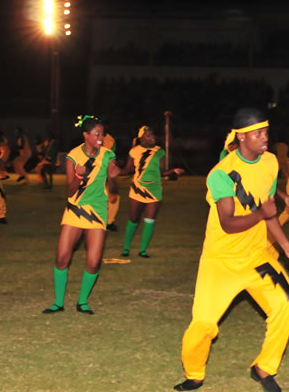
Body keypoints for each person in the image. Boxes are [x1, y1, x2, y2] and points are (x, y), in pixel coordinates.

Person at [174, 108, 289, 392]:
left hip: (257, 257)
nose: (264, 139)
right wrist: (261, 213)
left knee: (286, 305)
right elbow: (229, 222)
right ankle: (194, 374)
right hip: (220, 261)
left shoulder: (271, 162)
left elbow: (269, 209)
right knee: (203, 324)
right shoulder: (221, 174)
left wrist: (287, 249)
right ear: (241, 137)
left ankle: (264, 368)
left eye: (266, 133)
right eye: (258, 134)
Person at [42, 115, 117, 314]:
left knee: (93, 261)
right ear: (86, 135)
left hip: (98, 210)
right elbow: (70, 191)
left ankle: (82, 301)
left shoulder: (108, 154)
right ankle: (58, 302)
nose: (101, 138)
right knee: (61, 257)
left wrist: (115, 177)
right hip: (75, 209)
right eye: (97, 134)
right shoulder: (73, 156)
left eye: (102, 134)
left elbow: (114, 184)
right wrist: (78, 175)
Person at [120, 125, 184, 257]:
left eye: (153, 134)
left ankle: (142, 250)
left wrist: (173, 171)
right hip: (138, 189)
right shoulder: (134, 151)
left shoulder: (159, 151)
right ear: (141, 138)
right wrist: (115, 171)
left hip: (154, 190)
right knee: (133, 219)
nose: (152, 137)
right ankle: (126, 248)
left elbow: (162, 172)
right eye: (148, 135)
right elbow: (128, 170)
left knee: (150, 221)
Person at [101, 121, 119, 232]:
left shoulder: (111, 140)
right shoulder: (93, 136)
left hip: (106, 171)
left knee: (114, 197)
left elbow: (112, 158)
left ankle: (109, 222)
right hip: (93, 171)